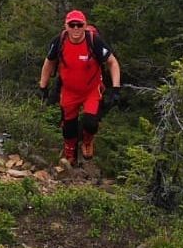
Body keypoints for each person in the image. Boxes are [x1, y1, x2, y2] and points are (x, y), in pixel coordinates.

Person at [36, 9, 122, 166]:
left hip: (91, 90)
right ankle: (70, 152)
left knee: (91, 122)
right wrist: (43, 86)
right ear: (66, 26)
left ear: (85, 25)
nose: (76, 28)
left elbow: (112, 62)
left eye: (79, 25)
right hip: (69, 91)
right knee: (68, 127)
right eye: (72, 25)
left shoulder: (93, 41)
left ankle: (87, 141)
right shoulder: (59, 41)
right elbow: (49, 63)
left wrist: (116, 89)